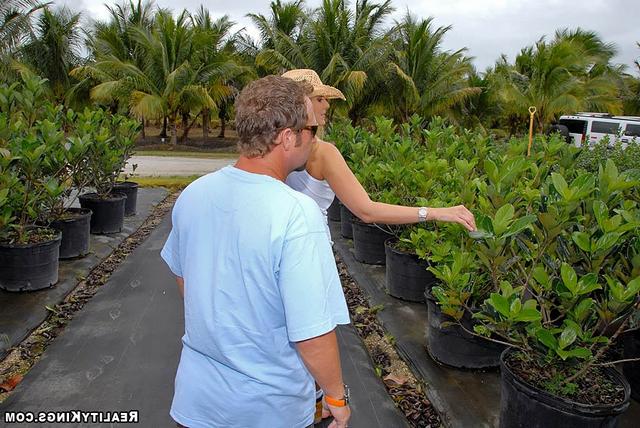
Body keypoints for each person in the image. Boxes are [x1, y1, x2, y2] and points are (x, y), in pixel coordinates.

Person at [161, 75, 351, 428]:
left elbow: (188, 284)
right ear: (288, 136)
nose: (315, 137)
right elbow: (312, 332)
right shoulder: (296, 213)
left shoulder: (193, 195)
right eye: (311, 128)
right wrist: (336, 396)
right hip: (268, 409)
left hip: (196, 402)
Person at [282, 69, 477, 233]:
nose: (327, 104)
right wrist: (435, 212)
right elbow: (367, 211)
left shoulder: (275, 147)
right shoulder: (324, 153)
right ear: (303, 105)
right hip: (311, 242)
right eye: (320, 99)